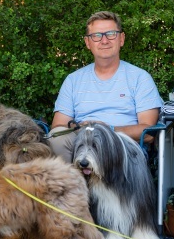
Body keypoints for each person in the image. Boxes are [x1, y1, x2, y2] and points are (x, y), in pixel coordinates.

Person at [48, 11, 163, 163]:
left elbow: (148, 132)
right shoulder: (73, 80)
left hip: (122, 147)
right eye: (96, 36)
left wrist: (107, 130)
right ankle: (70, 185)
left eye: (111, 34)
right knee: (56, 139)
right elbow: (58, 127)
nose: (104, 41)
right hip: (83, 143)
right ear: (88, 42)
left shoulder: (140, 78)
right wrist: (84, 131)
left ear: (121, 39)